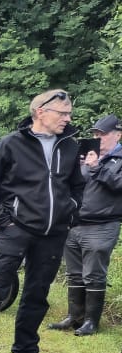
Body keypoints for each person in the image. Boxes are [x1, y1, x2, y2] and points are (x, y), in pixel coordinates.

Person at [0, 90, 86, 353]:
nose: (68, 119)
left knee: (36, 298)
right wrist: (6, 223)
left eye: (69, 113)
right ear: (40, 112)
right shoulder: (10, 145)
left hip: (52, 235)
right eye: (62, 113)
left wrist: (70, 212)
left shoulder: (70, 146)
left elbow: (77, 186)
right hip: (15, 232)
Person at [56, 114, 121, 336]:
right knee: (74, 273)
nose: (97, 138)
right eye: (94, 134)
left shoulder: (117, 159)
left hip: (102, 225)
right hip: (75, 224)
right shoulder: (86, 157)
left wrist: (96, 168)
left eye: (102, 134)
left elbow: (118, 184)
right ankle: (74, 317)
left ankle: (91, 322)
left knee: (93, 274)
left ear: (118, 135)